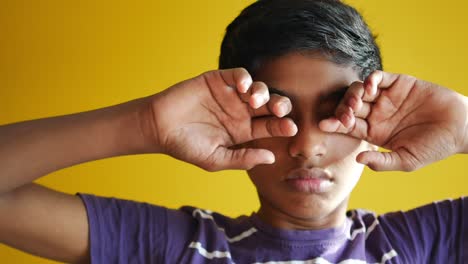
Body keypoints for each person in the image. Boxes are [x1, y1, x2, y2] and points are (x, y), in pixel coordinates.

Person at [0, 0, 466, 263]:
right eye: (278, 115)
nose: (306, 146)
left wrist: (463, 127)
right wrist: (146, 124)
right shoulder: (180, 247)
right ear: (238, 125)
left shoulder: (423, 246)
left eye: (335, 112)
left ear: (372, 123)